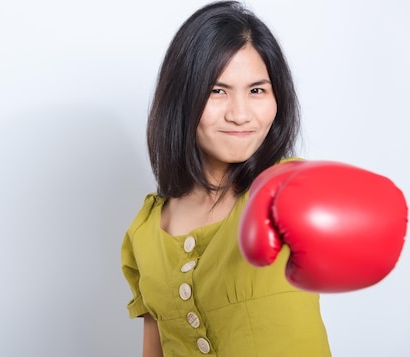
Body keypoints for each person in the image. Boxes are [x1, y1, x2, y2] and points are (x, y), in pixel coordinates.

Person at [120, 2, 330, 355]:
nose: (240, 114)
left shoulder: (287, 190)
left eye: (257, 90)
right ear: (181, 99)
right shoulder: (144, 233)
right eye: (218, 91)